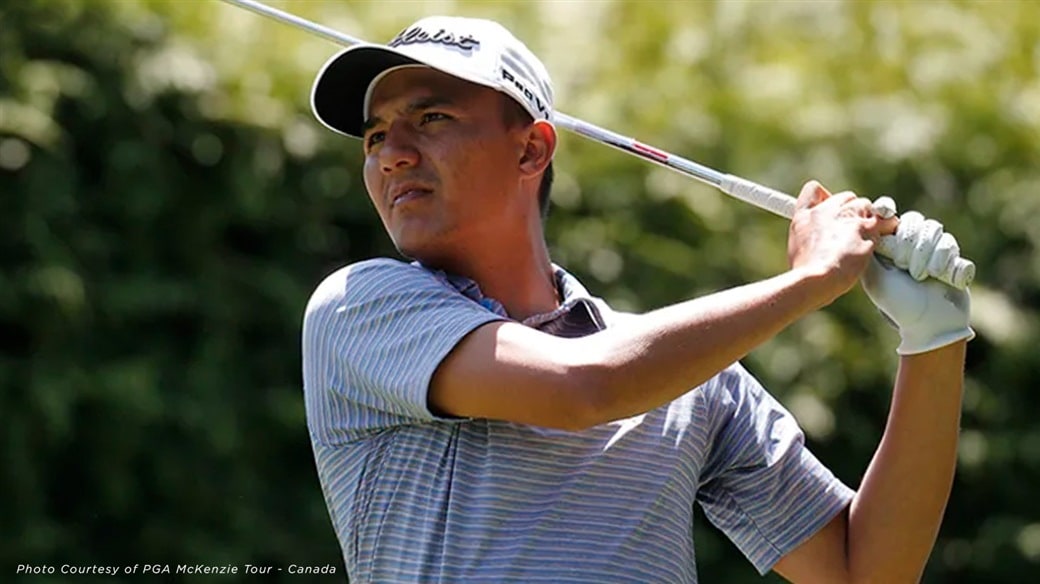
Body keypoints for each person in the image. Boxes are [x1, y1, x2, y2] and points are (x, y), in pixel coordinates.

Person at [301, 15, 974, 583]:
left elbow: (865, 572)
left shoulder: (691, 378)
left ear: (531, 150)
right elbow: (583, 389)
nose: (392, 154)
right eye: (376, 134)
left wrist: (934, 342)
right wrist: (808, 281)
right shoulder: (361, 306)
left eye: (432, 117)